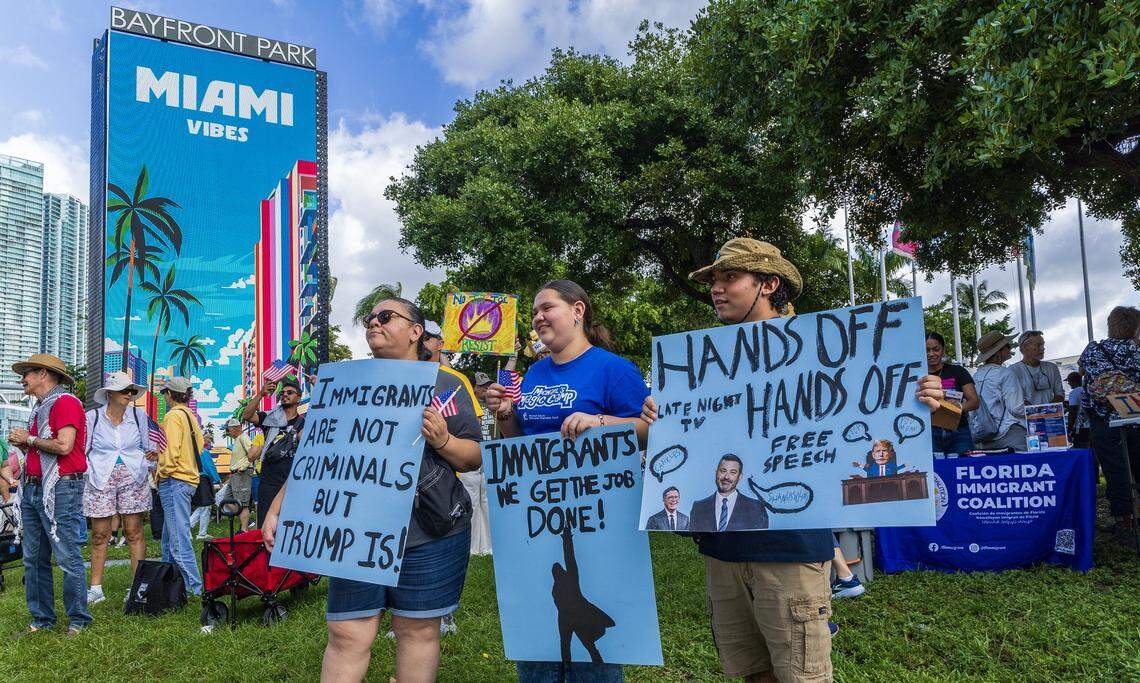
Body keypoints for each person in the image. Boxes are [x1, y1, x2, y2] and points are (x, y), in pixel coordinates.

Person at [641, 238, 945, 682]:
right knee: (752, 672)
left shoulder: (826, 352)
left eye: (730, 278)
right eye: (714, 281)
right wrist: (656, 418)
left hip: (792, 552)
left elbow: (875, 409)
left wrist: (919, 397)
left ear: (768, 283)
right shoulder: (704, 368)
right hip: (723, 553)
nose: (716, 289)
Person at [264, 296, 482, 683]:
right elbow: (317, 456)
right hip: (355, 530)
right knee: (347, 631)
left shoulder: (447, 384)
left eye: (385, 316)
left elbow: (473, 457)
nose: (374, 323)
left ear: (416, 332)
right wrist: (279, 506)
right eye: (369, 318)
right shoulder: (345, 385)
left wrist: (444, 440)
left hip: (429, 532)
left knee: (417, 630)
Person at [486, 279, 649, 683]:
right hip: (536, 513)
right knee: (537, 633)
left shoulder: (614, 368)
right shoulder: (535, 373)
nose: (538, 317)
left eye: (547, 308)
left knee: (596, 656)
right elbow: (518, 445)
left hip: (595, 516)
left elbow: (648, 430)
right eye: (535, 311)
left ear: (578, 311)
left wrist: (599, 422)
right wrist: (506, 414)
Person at [6, 353, 91, 636]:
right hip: (34, 487)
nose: (23, 379)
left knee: (66, 555)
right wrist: (26, 444)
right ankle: (42, 620)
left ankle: (78, 619)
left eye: (27, 372)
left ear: (43, 374)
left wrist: (28, 439)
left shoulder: (65, 402)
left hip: (60, 487)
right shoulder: (41, 408)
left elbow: (64, 446)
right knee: (33, 558)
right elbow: (44, 448)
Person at [82, 372, 155, 606]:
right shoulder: (92, 417)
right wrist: (88, 471)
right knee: (100, 534)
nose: (129, 395)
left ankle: (136, 588)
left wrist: (150, 462)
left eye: (132, 391)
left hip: (133, 476)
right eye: (125, 390)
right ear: (110, 393)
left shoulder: (138, 415)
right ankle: (95, 589)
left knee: (134, 532)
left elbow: (151, 446)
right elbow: (82, 448)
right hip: (100, 477)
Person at [1079, 306, 1140, 538]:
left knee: (1115, 472)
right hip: (1135, 417)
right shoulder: (1135, 352)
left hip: (1104, 421)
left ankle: (1124, 524)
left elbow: (1082, 373)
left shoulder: (1094, 349)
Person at [156, 376, 205, 596]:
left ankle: (193, 588)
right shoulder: (190, 416)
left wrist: (162, 471)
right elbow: (201, 447)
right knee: (168, 538)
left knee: (177, 539)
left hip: (174, 480)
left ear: (169, 394)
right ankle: (170, 584)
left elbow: (171, 451)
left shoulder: (173, 416)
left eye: (165, 393)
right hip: (187, 479)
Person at [240, 375, 304, 528]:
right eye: (283, 393)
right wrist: (261, 394)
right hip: (269, 481)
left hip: (291, 482)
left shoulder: (304, 424)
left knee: (288, 524)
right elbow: (246, 415)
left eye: (290, 392)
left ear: (299, 398)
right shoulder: (270, 418)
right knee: (265, 525)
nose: (285, 395)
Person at [969, 331, 1028, 451]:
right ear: (998, 352)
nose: (1010, 348)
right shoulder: (1005, 373)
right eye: (1007, 346)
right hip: (1009, 433)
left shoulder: (976, 376)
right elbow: (1016, 408)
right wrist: (1032, 408)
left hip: (983, 436)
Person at [926, 332, 979, 455]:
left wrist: (959, 406)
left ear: (944, 350)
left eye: (936, 349)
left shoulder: (958, 371)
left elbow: (974, 402)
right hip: (929, 433)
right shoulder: (917, 374)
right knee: (936, 472)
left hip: (959, 432)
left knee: (963, 470)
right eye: (927, 350)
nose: (931, 354)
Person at [689, 454, 768, 531]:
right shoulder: (698, 508)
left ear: (740, 477)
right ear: (716, 473)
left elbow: (760, 542)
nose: (726, 477)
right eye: (723, 471)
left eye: (733, 472)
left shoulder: (756, 508)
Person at [1010, 331, 1065, 405]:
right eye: (1038, 345)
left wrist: (1047, 410)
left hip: (1051, 415)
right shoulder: (1013, 371)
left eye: (1043, 344)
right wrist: (1035, 412)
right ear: (1024, 348)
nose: (1043, 348)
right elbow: (1015, 399)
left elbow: (1060, 393)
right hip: (1025, 416)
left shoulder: (1052, 368)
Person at [225, 418, 254, 530]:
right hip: (235, 474)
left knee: (243, 504)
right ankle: (247, 522)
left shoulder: (243, 437)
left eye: (230, 429)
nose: (228, 432)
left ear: (236, 428)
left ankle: (244, 529)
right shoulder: (238, 439)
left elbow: (252, 452)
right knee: (226, 501)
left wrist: (243, 467)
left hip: (242, 473)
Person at [189, 434, 221, 540]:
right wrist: (218, 479)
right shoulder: (204, 452)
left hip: (196, 479)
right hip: (204, 479)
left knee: (203, 506)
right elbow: (210, 466)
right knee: (206, 506)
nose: (209, 442)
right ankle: (200, 532)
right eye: (208, 439)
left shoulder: (194, 451)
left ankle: (194, 529)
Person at [1066, 371, 1091, 449]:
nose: (1068, 383)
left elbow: (1072, 412)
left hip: (1080, 427)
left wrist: (1069, 429)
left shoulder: (1073, 392)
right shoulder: (1088, 389)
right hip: (1091, 425)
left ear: (1073, 381)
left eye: (1069, 381)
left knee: (1080, 449)